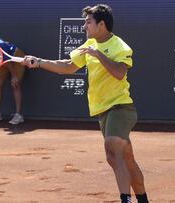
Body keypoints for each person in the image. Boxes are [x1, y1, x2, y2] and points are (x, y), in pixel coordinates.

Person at [21, 4, 149, 203]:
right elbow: (68, 67)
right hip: (102, 110)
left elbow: (119, 73)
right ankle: (143, 200)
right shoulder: (87, 46)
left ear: (102, 24)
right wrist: (38, 61)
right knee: (127, 160)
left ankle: (126, 199)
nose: (84, 26)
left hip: (121, 107)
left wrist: (98, 54)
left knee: (112, 151)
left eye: (88, 22)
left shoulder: (119, 46)